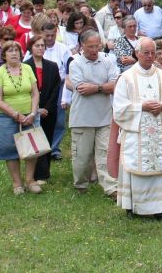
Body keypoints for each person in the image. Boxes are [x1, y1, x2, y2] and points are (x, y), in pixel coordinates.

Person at [113, 38, 162, 222]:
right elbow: (119, 108)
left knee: (161, 168)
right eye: (146, 52)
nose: (150, 56)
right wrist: (141, 107)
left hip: (159, 131)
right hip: (136, 133)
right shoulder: (126, 78)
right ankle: (134, 205)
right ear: (137, 53)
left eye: (153, 52)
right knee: (136, 166)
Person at [68, 30, 119, 197]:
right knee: (82, 156)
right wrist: (104, 87)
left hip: (104, 117)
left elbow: (115, 86)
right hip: (82, 118)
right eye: (90, 46)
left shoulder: (107, 61)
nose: (94, 49)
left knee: (105, 153)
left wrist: (96, 87)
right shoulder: (75, 64)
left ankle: (111, 187)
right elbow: (82, 89)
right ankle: (81, 185)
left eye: (97, 46)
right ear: (82, 46)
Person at [0, 41, 42, 194]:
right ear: (4, 55)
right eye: (10, 51)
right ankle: (17, 183)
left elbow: (35, 93)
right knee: (9, 148)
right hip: (6, 116)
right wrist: (15, 114)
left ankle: (30, 180)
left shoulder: (27, 68)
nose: (14, 53)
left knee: (32, 147)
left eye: (16, 50)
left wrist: (33, 113)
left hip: (29, 115)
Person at [24, 35, 61, 184]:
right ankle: (35, 174)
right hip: (32, 110)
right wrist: (37, 109)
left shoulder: (52, 66)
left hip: (49, 110)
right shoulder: (25, 66)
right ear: (31, 48)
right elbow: (26, 90)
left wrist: (46, 108)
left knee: (47, 139)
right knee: (34, 141)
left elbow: (55, 88)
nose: (40, 48)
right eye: (37, 45)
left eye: (42, 46)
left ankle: (44, 174)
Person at [39, 23, 71, 162]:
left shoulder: (63, 49)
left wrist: (66, 97)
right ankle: (40, 146)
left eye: (53, 35)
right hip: (40, 86)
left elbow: (69, 71)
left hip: (59, 86)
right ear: (42, 34)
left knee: (58, 120)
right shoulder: (37, 47)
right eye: (47, 35)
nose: (50, 38)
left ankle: (54, 148)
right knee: (40, 117)